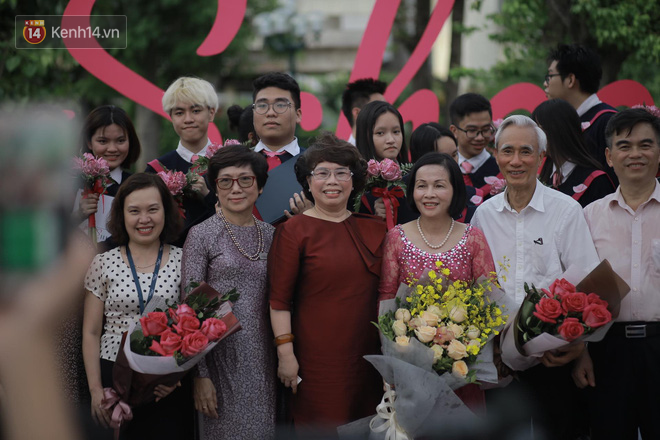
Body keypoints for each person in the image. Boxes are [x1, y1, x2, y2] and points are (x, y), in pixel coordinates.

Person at [471, 115, 600, 439]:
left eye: (526, 152)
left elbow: (587, 281)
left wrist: (580, 347)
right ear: (496, 154)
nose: (516, 161)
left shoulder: (566, 210)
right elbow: (473, 283)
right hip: (497, 360)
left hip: (553, 357)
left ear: (542, 157)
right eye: (508, 151)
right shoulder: (483, 215)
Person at [268, 133, 386, 433]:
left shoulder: (376, 228)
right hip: (315, 364)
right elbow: (279, 301)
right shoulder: (294, 231)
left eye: (341, 173)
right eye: (322, 173)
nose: (331, 181)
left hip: (368, 362)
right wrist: (286, 356)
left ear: (354, 180)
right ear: (308, 182)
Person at [378, 152, 495, 410]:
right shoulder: (396, 238)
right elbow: (386, 299)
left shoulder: (473, 238)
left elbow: (489, 299)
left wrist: (464, 346)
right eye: (422, 186)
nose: (429, 194)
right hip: (410, 371)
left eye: (439, 185)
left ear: (455, 190)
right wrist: (394, 361)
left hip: (463, 367)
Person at [573, 108, 660, 439]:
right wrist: (580, 352)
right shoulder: (589, 217)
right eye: (624, 146)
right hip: (607, 351)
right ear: (609, 156)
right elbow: (576, 289)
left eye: (645, 144)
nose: (635, 154)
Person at [82, 173, 187, 439]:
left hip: (164, 383)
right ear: (122, 215)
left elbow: (192, 326)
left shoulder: (183, 260)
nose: (144, 219)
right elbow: (91, 332)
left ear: (166, 210)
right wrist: (96, 391)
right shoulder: (102, 262)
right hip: (112, 379)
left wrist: (177, 377)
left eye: (153, 209)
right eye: (134, 211)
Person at [181, 145, 276, 439]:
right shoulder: (201, 235)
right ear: (215, 188)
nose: (236, 188)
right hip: (219, 361)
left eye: (245, 180)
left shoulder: (273, 234)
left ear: (259, 187)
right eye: (225, 181)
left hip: (264, 362)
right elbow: (191, 308)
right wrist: (201, 376)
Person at [145, 76, 218, 243]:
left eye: (196, 111)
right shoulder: (157, 169)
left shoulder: (229, 163)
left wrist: (208, 195)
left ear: (211, 113)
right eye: (179, 112)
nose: (188, 119)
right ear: (171, 117)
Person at [544, 44, 618, 184]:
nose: (545, 83)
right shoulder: (561, 125)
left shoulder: (608, 122)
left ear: (570, 80)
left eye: (550, 76)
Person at [75, 105, 141, 247]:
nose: (112, 149)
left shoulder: (137, 187)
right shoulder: (69, 182)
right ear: (89, 142)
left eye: (120, 140)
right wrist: (78, 215)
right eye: (103, 141)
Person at [532, 99, 615, 207]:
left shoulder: (596, 181)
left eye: (539, 131)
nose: (534, 137)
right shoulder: (546, 175)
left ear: (559, 130)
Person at [251, 72, 311, 219]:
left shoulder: (316, 164)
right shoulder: (236, 163)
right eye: (262, 105)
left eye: (280, 105)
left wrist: (313, 217)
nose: (271, 113)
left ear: (298, 114)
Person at [354, 100, 415, 224]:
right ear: (365, 136)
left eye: (396, 132)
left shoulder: (415, 178)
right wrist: (376, 219)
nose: (391, 140)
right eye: (380, 133)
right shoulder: (353, 184)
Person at [409, 123, 481, 222]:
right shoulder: (397, 199)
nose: (452, 162)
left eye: (455, 154)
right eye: (443, 157)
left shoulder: (473, 198)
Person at [449, 93, 503, 199]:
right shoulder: (444, 169)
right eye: (472, 130)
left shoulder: (501, 170)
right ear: (454, 131)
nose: (480, 138)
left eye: (486, 129)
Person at [341, 78, 387, 145]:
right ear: (357, 113)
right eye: (379, 109)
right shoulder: (344, 155)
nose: (387, 113)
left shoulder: (389, 152)